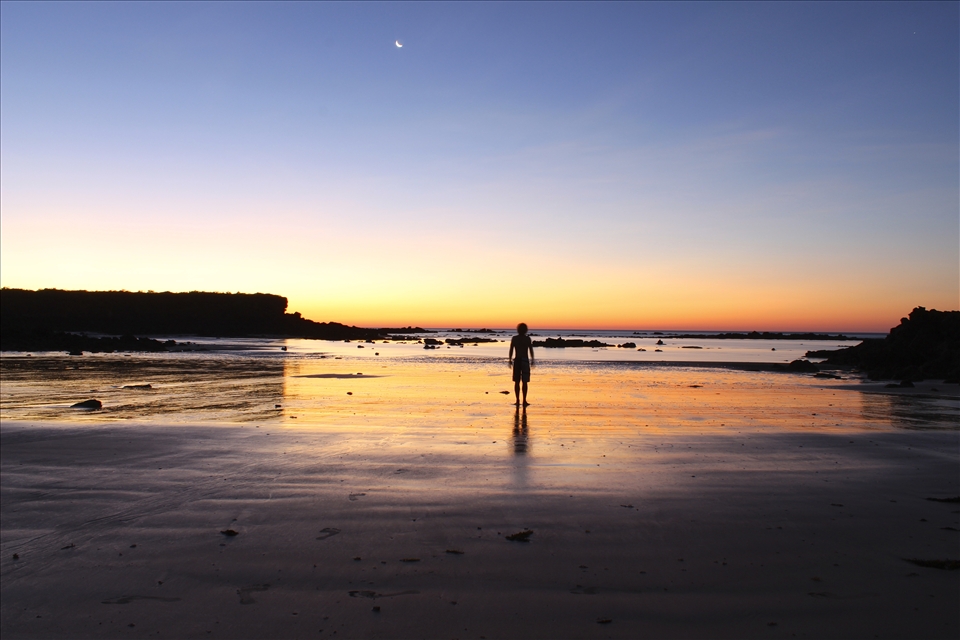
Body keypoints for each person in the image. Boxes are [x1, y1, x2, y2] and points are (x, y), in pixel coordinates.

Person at [508, 323, 535, 406]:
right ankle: (524, 401)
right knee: (525, 382)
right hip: (525, 360)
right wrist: (532, 359)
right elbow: (531, 350)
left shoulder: (514, 338)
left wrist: (510, 359)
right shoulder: (527, 339)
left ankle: (517, 400)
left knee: (517, 382)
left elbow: (511, 350)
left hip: (517, 360)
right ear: (526, 330)